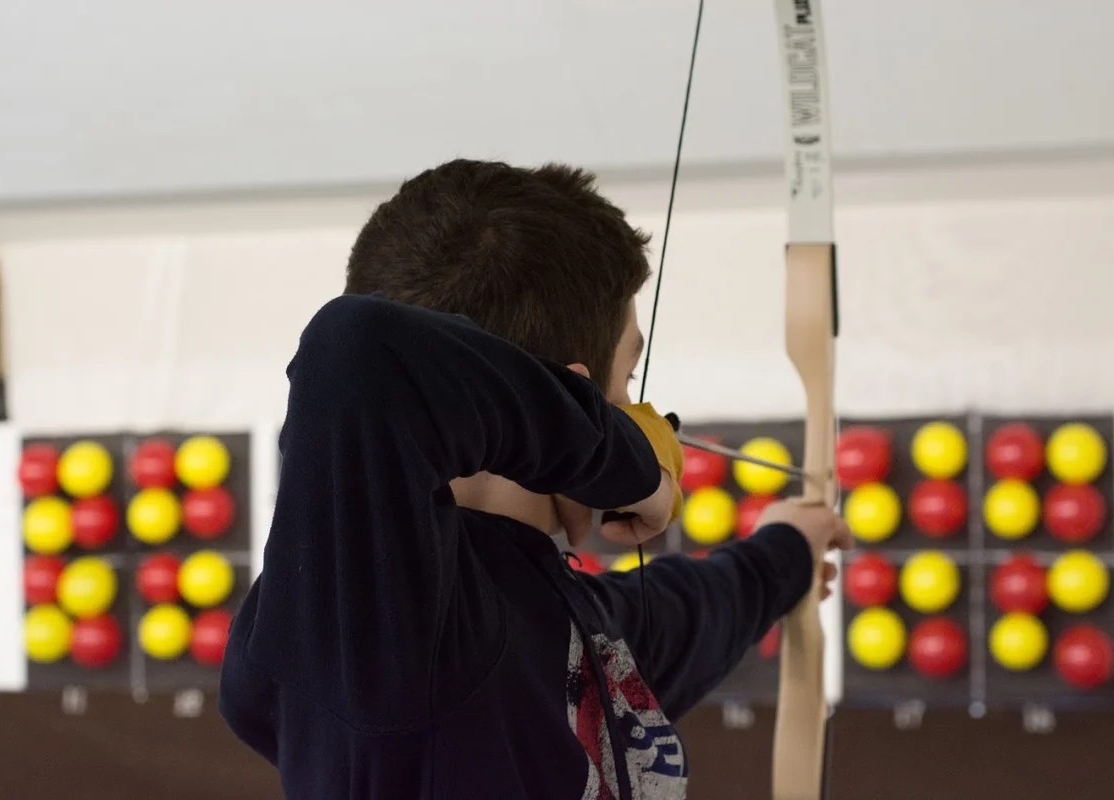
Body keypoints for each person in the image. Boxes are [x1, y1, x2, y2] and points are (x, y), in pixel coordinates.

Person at [219, 159, 852, 799]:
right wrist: (630, 466)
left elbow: (687, 614)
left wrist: (788, 548)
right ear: (579, 401)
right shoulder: (375, 632)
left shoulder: (563, 624)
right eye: (628, 383)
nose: (639, 412)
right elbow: (357, 353)